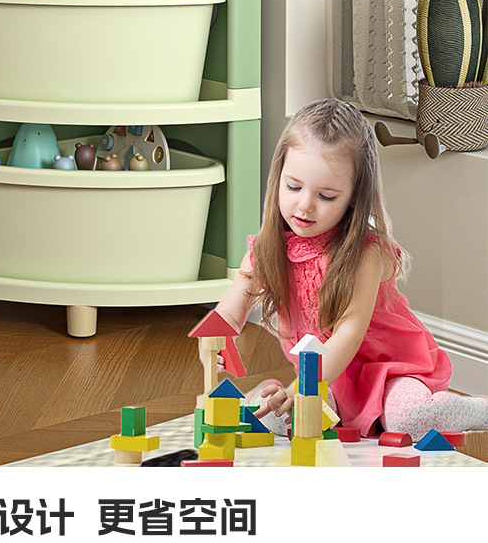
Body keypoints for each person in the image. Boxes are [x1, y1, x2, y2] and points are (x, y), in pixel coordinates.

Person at [208, 99, 488, 440]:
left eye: (326, 196)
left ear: (355, 196)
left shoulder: (365, 254)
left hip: (392, 371)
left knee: (408, 420)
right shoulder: (267, 249)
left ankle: (479, 410)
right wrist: (217, 339)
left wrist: (305, 387)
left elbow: (348, 335)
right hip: (330, 378)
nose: (304, 205)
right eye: (293, 187)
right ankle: (266, 393)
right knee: (282, 418)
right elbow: (232, 309)